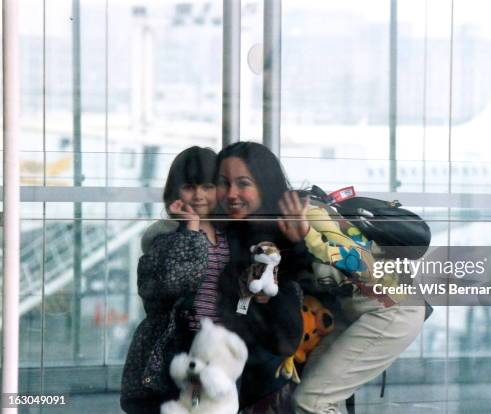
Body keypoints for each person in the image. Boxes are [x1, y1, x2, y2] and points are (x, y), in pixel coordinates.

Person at [278, 191, 426, 414]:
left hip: (392, 313)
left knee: (312, 401)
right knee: (314, 391)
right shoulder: (309, 227)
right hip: (356, 314)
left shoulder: (321, 224)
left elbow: (357, 261)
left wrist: (308, 234)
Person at [120, 146, 227, 414]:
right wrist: (190, 231)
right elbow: (174, 283)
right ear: (175, 191)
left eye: (207, 186)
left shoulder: (228, 234)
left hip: (215, 346)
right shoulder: (163, 238)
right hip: (177, 347)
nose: (199, 195)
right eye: (190, 187)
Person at [213, 142, 306, 412]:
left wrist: (299, 245)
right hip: (227, 375)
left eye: (244, 183)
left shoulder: (283, 236)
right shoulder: (219, 232)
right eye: (223, 182)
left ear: (264, 185)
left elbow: (286, 334)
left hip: (271, 382)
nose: (231, 194)